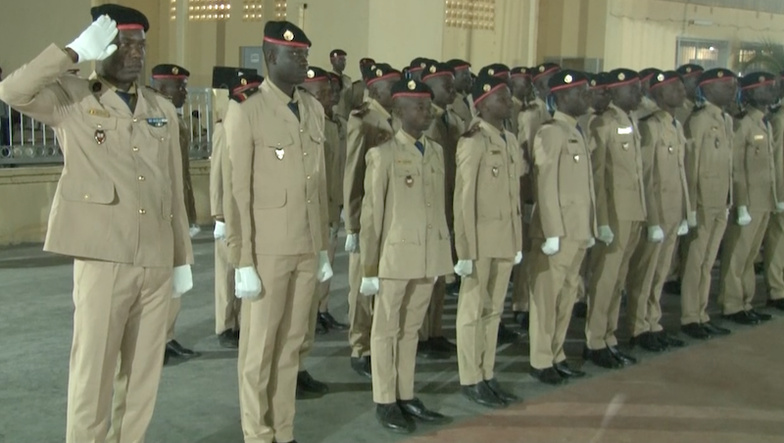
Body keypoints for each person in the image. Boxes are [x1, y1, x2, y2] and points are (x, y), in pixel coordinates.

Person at [0, 5, 194, 441]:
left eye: (140, 45)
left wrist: (181, 258)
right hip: (103, 261)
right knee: (93, 380)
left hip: (155, 262)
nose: (134, 53)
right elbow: (12, 91)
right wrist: (71, 52)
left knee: (141, 382)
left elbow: (172, 191)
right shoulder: (72, 98)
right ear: (100, 49)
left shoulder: (161, 107)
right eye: (123, 44)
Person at [224, 21, 333, 443]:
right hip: (267, 251)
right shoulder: (247, 109)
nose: (303, 60)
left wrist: (322, 248)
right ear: (270, 58)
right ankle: (257, 433)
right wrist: (242, 260)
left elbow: (317, 186)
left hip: (306, 248)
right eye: (294, 55)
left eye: (305, 53)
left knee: (291, 347)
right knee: (258, 352)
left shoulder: (313, 109)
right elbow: (237, 193)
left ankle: (283, 431)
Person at [359, 78, 452, 434]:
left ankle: (406, 393)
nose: (426, 112)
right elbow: (372, 216)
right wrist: (369, 267)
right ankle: (385, 399)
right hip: (395, 258)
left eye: (428, 106)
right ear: (398, 112)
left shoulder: (436, 152)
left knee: (411, 329)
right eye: (418, 106)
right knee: (385, 330)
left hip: (428, 255)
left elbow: (437, 208)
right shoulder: (382, 155)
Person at [453, 73, 523, 407]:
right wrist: (464, 249)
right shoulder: (473, 141)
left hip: (505, 238)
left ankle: (486, 372)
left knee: (494, 312)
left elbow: (513, 197)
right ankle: (470, 378)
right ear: (482, 104)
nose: (509, 102)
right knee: (472, 310)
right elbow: (463, 200)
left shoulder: (509, 140)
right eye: (502, 97)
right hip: (480, 241)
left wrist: (518, 241)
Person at [528, 69, 595, 385]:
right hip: (558, 232)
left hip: (577, 228)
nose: (586, 97)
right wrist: (552, 231)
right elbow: (545, 186)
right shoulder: (551, 133)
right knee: (547, 298)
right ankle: (541, 359)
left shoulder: (577, 131)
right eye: (579, 92)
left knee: (568, 295)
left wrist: (590, 226)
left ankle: (557, 354)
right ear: (560, 97)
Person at [625, 71, 690, 352]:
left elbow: (679, 173)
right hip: (657, 211)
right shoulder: (649, 126)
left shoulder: (675, 125)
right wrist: (651, 219)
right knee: (646, 272)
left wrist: (686, 211)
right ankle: (639, 327)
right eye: (674, 88)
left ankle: (654, 322)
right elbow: (647, 177)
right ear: (659, 94)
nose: (682, 91)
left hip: (673, 210)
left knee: (661, 272)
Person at [584, 68, 645, 370]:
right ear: (615, 92)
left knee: (618, 279)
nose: (639, 94)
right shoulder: (602, 123)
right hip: (615, 215)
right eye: (632, 89)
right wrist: (602, 221)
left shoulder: (630, 121)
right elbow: (598, 177)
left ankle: (610, 337)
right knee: (605, 279)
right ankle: (594, 341)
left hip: (633, 211)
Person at [343, 62, 401, 379]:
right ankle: (359, 346)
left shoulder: (394, 119)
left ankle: (377, 343)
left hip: (390, 214)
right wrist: (352, 224)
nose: (397, 91)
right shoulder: (362, 121)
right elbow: (353, 174)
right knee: (362, 286)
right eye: (392, 86)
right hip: (366, 215)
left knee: (382, 282)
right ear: (376, 89)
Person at [295, 65, 344, 400]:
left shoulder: (329, 124)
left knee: (309, 305)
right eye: (322, 92)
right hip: (298, 225)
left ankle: (299, 365)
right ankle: (289, 371)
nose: (329, 97)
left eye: (329, 91)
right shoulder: (296, 123)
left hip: (324, 215)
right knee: (294, 310)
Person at [718, 72, 779, 325]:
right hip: (749, 200)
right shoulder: (743, 124)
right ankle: (731, 304)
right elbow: (736, 168)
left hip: (763, 198)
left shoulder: (764, 122)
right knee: (737, 254)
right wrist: (741, 203)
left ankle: (745, 301)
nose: (773, 93)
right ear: (752, 93)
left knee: (751, 254)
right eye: (766, 89)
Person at [679, 68, 736, 339]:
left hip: (720, 201)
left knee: (708, 262)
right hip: (702, 202)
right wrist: (689, 207)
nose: (732, 90)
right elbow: (690, 167)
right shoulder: (699, 121)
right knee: (695, 260)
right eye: (726, 85)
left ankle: (702, 313)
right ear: (709, 88)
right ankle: (690, 316)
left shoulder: (725, 120)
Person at [151, 63, 200, 363]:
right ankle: (157, 342)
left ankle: (168, 336)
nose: (184, 92)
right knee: (162, 283)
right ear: (161, 89)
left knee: (176, 281)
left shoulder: (176, 120)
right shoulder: (153, 118)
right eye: (178, 87)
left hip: (177, 208)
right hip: (160, 211)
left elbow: (182, 173)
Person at [209, 66, 258, 349]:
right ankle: (226, 324)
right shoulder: (224, 125)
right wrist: (219, 215)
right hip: (226, 213)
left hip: (240, 210)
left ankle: (238, 321)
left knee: (240, 267)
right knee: (227, 271)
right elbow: (218, 173)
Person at [418, 61, 464, 359]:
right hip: (431, 205)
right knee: (425, 275)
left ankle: (435, 330)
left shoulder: (453, 120)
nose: (451, 89)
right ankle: (422, 335)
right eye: (445, 85)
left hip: (448, 203)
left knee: (439, 273)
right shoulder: (425, 122)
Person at [511, 62, 561, 332]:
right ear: (540, 86)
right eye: (551, 80)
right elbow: (528, 157)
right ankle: (521, 303)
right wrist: (529, 195)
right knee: (529, 248)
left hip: (550, 191)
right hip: (532, 188)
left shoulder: (554, 111)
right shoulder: (532, 114)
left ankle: (535, 301)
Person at [764, 72, 784, 312]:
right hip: (782, 189)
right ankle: (777, 289)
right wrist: (779, 195)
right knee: (778, 241)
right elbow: (777, 160)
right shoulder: (779, 119)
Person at [447, 59, 474, 124]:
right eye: (465, 74)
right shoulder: (449, 101)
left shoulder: (470, 98)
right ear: (452, 77)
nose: (469, 78)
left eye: (469, 74)